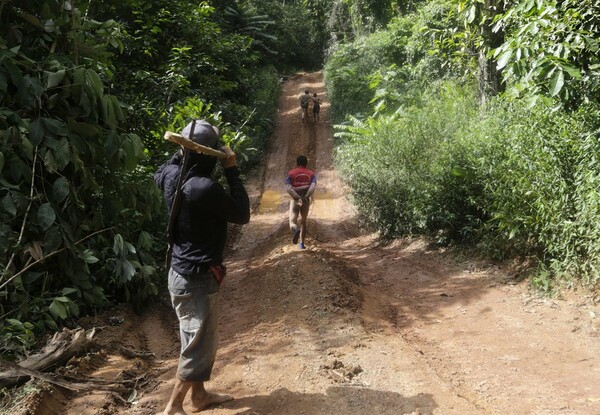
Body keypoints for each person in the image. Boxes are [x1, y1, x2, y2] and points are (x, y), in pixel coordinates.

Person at [154, 120, 250, 415]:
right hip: (197, 278)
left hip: (179, 273)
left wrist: (184, 148)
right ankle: (173, 407)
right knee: (198, 344)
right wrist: (231, 168)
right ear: (210, 156)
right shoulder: (205, 187)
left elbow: (168, 166)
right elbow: (242, 213)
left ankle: (200, 396)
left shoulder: (168, 176)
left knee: (194, 337)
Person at [285, 155, 317, 249]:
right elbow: (313, 187)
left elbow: (288, 188)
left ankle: (295, 230)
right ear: (306, 164)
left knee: (292, 221)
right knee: (303, 222)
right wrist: (306, 196)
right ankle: (302, 244)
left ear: (297, 163)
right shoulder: (311, 174)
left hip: (295, 200)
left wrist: (297, 197)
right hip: (305, 200)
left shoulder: (291, 174)